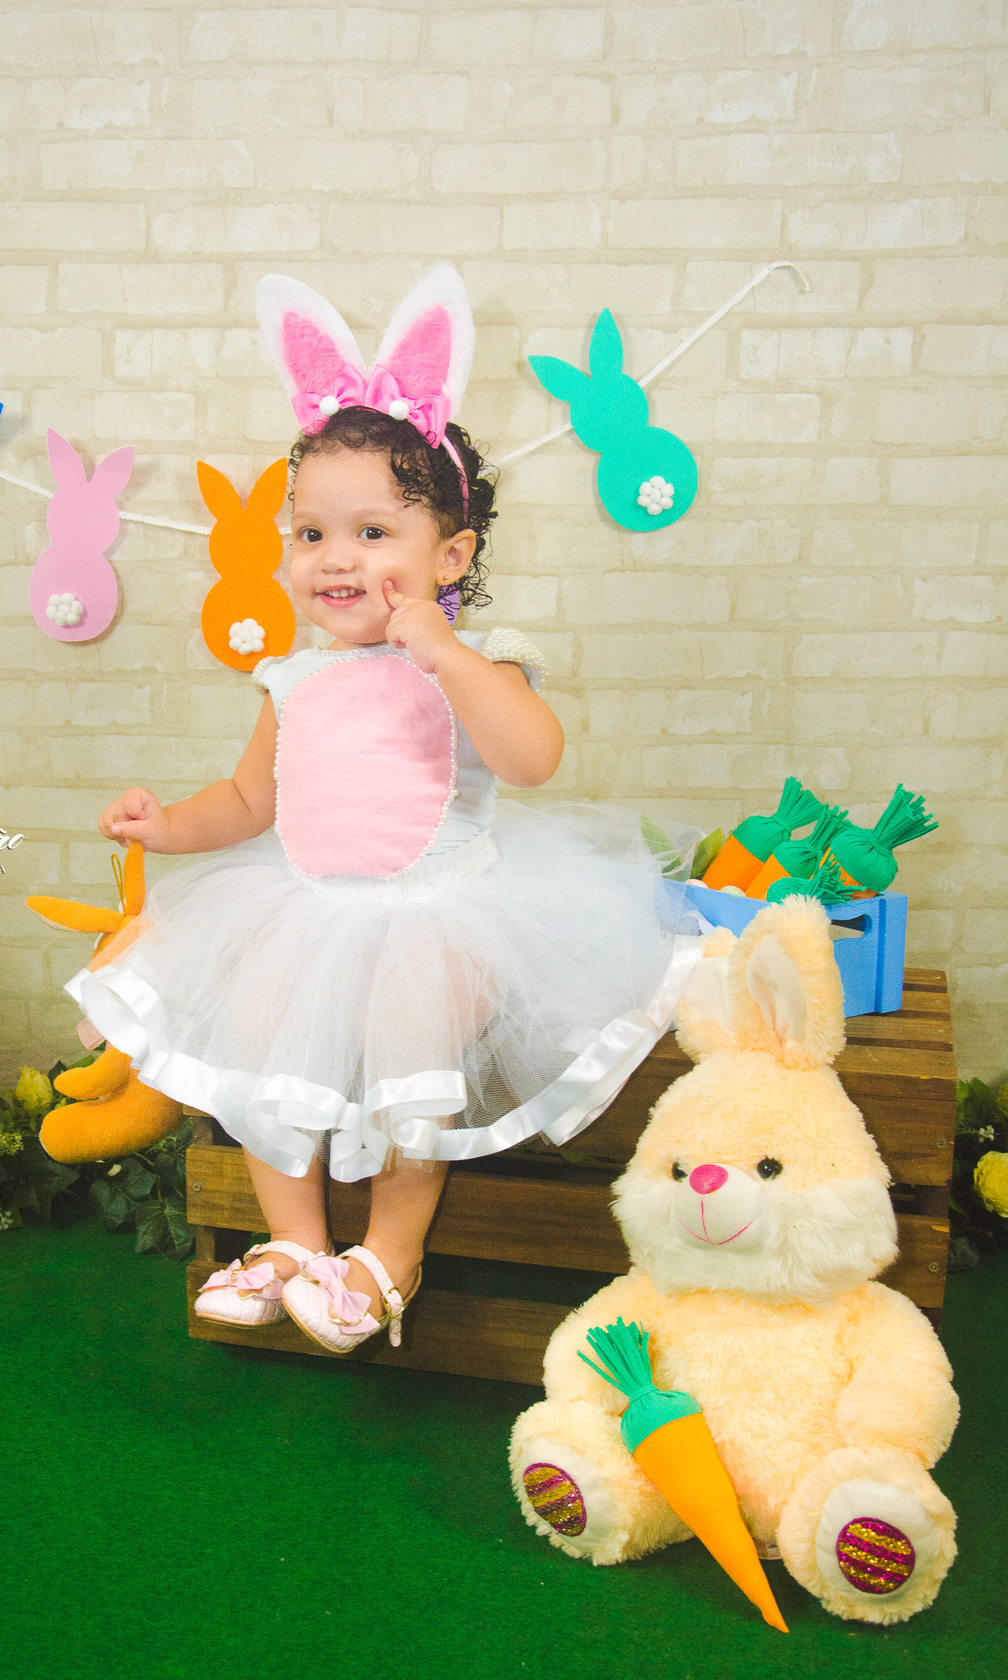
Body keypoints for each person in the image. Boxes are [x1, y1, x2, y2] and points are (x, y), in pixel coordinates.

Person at [59, 269, 702, 1354]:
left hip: (439, 913)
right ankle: (294, 1241)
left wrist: (447, 654)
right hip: (307, 908)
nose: (335, 558)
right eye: (310, 534)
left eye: (370, 532)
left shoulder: (479, 660)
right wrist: (167, 825)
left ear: (449, 556)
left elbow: (534, 760)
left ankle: (390, 1252)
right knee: (261, 1020)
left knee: (413, 1041)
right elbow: (249, 800)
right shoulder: (292, 678)